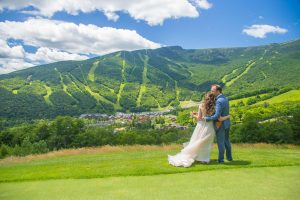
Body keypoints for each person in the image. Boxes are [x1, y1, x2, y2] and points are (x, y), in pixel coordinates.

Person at [168, 91, 230, 167]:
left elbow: (199, 118)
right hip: (209, 127)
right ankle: (204, 159)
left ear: (205, 98)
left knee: (196, 140)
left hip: (200, 126)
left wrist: (193, 115)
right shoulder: (215, 107)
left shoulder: (201, 105)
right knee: (206, 144)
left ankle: (193, 154)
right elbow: (217, 118)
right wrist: (228, 116)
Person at [201, 84, 233, 163]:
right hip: (227, 123)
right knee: (227, 141)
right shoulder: (225, 98)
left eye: (213, 91)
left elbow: (216, 116)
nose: (211, 92)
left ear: (218, 91)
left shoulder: (218, 101)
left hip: (220, 124)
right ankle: (229, 158)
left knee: (221, 142)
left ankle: (221, 160)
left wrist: (206, 118)